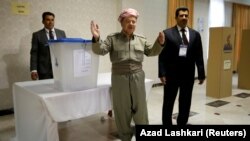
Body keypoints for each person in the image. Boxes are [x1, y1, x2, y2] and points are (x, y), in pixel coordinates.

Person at [90, 8, 165, 141]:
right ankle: (125, 137)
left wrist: (160, 43)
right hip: (119, 78)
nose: (131, 24)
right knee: (122, 110)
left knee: (140, 109)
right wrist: (96, 38)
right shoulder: (112, 39)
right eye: (128, 21)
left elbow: (152, 52)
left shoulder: (141, 40)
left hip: (138, 76)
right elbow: (100, 50)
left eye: (134, 21)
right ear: (122, 23)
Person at [158, 7, 205, 126]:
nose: (184, 18)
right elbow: (162, 56)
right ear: (176, 18)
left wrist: (201, 73)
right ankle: (167, 124)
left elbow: (199, 55)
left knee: (185, 102)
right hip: (171, 75)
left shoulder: (195, 34)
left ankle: (182, 123)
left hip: (188, 75)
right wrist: (162, 73)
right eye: (181, 15)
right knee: (168, 102)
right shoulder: (167, 33)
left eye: (186, 15)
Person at [30, 11, 66, 80]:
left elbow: (64, 50)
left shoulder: (61, 33)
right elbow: (34, 53)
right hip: (44, 70)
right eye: (48, 20)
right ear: (43, 21)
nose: (50, 22)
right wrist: (33, 70)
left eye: (52, 20)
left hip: (60, 69)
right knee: (46, 90)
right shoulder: (37, 35)